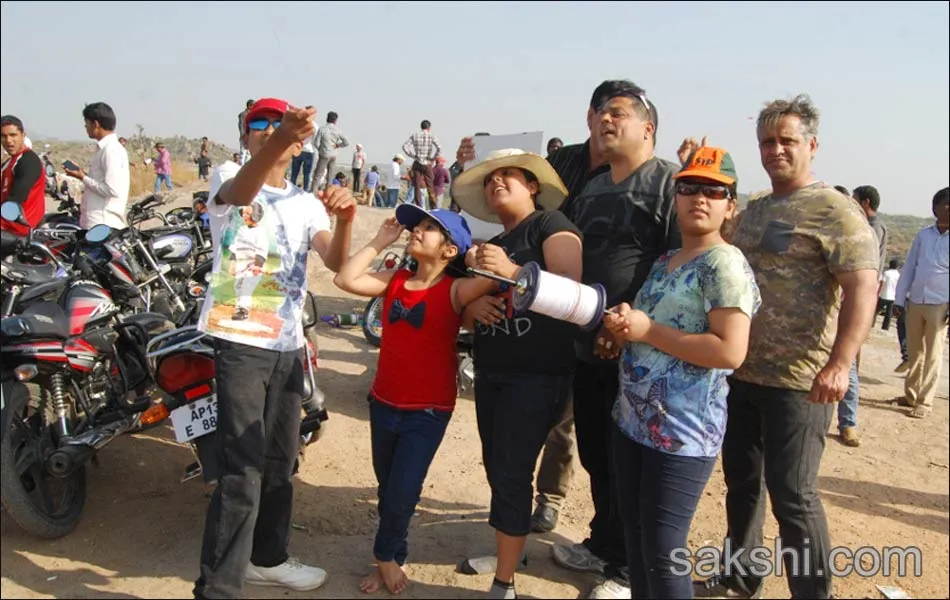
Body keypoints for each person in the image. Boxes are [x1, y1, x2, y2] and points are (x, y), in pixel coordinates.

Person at [694, 94, 879, 600]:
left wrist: (841, 364)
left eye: (787, 140)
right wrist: (701, 176)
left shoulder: (835, 212)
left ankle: (812, 594)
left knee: (794, 497)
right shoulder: (755, 209)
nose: (776, 149)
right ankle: (741, 576)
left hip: (800, 382)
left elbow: (864, 288)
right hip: (741, 375)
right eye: (767, 142)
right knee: (742, 486)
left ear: (811, 145)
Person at [192, 98, 356, 599]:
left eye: (275, 123)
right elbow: (244, 190)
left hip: (288, 344)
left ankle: (268, 558)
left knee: (281, 460)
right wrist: (283, 136)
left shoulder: (305, 203)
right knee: (241, 468)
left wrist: (347, 217)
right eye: (256, 124)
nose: (264, 130)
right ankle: (217, 589)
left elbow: (334, 260)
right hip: (240, 341)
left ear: (299, 142)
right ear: (246, 136)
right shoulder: (231, 175)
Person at [604, 146, 760, 599]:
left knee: (663, 549)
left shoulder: (724, 264)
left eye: (714, 191)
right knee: (636, 537)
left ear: (731, 205)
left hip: (682, 432)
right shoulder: (666, 260)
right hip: (633, 423)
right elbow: (651, 332)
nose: (699, 198)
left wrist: (648, 328)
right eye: (688, 188)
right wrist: (624, 328)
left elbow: (730, 350)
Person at [334, 204, 498, 595]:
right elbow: (344, 278)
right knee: (388, 488)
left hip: (428, 410)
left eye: (428, 228)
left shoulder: (455, 290)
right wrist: (380, 240)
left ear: (448, 250)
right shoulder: (395, 280)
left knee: (404, 490)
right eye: (416, 226)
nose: (416, 232)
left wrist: (473, 254)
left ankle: (385, 557)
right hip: (383, 402)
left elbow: (495, 279)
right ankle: (397, 553)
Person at [452, 148, 583, 600]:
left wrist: (510, 273)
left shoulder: (551, 226)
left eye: (509, 175)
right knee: (499, 468)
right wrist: (472, 306)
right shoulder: (493, 243)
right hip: (494, 373)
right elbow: (462, 308)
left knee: (510, 472)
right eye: (490, 179)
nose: (497, 183)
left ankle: (503, 583)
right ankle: (512, 551)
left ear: (533, 186)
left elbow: (573, 290)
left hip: (538, 375)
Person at [891, 186, 949, 419]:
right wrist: (899, 299)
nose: (947, 208)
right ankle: (910, 395)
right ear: (934, 208)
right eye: (944, 203)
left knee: (933, 353)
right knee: (915, 352)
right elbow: (910, 268)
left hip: (941, 304)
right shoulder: (923, 235)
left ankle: (924, 402)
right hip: (916, 300)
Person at [837, 184, 888, 447]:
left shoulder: (866, 232)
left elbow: (865, 283)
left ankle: (848, 424)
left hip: (848, 310)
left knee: (848, 369)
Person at [64, 102, 130, 230]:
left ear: (96, 124)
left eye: (87, 123)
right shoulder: (105, 148)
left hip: (102, 222)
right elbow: (102, 183)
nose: (85, 127)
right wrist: (82, 174)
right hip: (96, 222)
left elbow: (111, 189)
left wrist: (83, 177)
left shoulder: (110, 150)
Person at [0, 115, 45, 235]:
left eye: (13, 135)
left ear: (23, 135)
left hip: (18, 230)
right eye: (4, 136)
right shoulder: (11, 161)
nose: (8, 140)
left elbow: (15, 200)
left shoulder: (28, 161)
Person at [402, 119, 442, 210]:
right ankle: (433, 207)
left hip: (417, 162)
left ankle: (419, 206)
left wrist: (412, 155)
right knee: (430, 185)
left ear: (421, 127)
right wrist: (433, 157)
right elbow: (439, 147)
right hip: (427, 162)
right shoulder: (431, 136)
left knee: (416, 185)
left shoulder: (415, 135)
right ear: (429, 127)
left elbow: (404, 146)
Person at [313, 111, 349, 191]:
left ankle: (313, 195)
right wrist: (338, 145)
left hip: (324, 154)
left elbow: (316, 143)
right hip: (333, 155)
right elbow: (346, 142)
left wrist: (321, 150)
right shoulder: (338, 130)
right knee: (330, 177)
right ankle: (327, 194)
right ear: (335, 121)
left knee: (317, 176)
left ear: (327, 119)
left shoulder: (322, 129)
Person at [290, 115, 316, 191]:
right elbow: (315, 140)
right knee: (307, 174)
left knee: (294, 172)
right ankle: (305, 190)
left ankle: (291, 188)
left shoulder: (299, 124)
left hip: (298, 148)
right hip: (308, 150)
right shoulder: (314, 126)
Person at [878, 259, 901, 330]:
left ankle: (871, 323)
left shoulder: (886, 273)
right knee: (888, 313)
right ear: (897, 267)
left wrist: (878, 292)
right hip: (892, 296)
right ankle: (885, 327)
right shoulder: (898, 275)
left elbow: (881, 283)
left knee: (876, 310)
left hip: (884, 294)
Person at [238, 99, 254, 165]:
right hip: (244, 136)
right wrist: (243, 135)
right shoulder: (243, 114)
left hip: (251, 136)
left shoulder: (252, 114)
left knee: (248, 154)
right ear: (249, 106)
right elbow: (241, 125)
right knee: (243, 153)